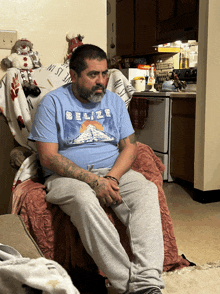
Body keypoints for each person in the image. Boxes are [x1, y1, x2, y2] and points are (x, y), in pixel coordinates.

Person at [28, 44, 165, 294]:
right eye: (93, 75)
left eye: (104, 74)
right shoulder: (53, 103)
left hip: (112, 171)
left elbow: (130, 147)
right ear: (74, 75)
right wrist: (93, 181)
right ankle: (127, 284)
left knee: (146, 190)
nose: (101, 81)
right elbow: (47, 157)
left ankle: (148, 283)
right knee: (83, 199)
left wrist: (111, 176)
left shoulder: (113, 102)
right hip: (67, 177)